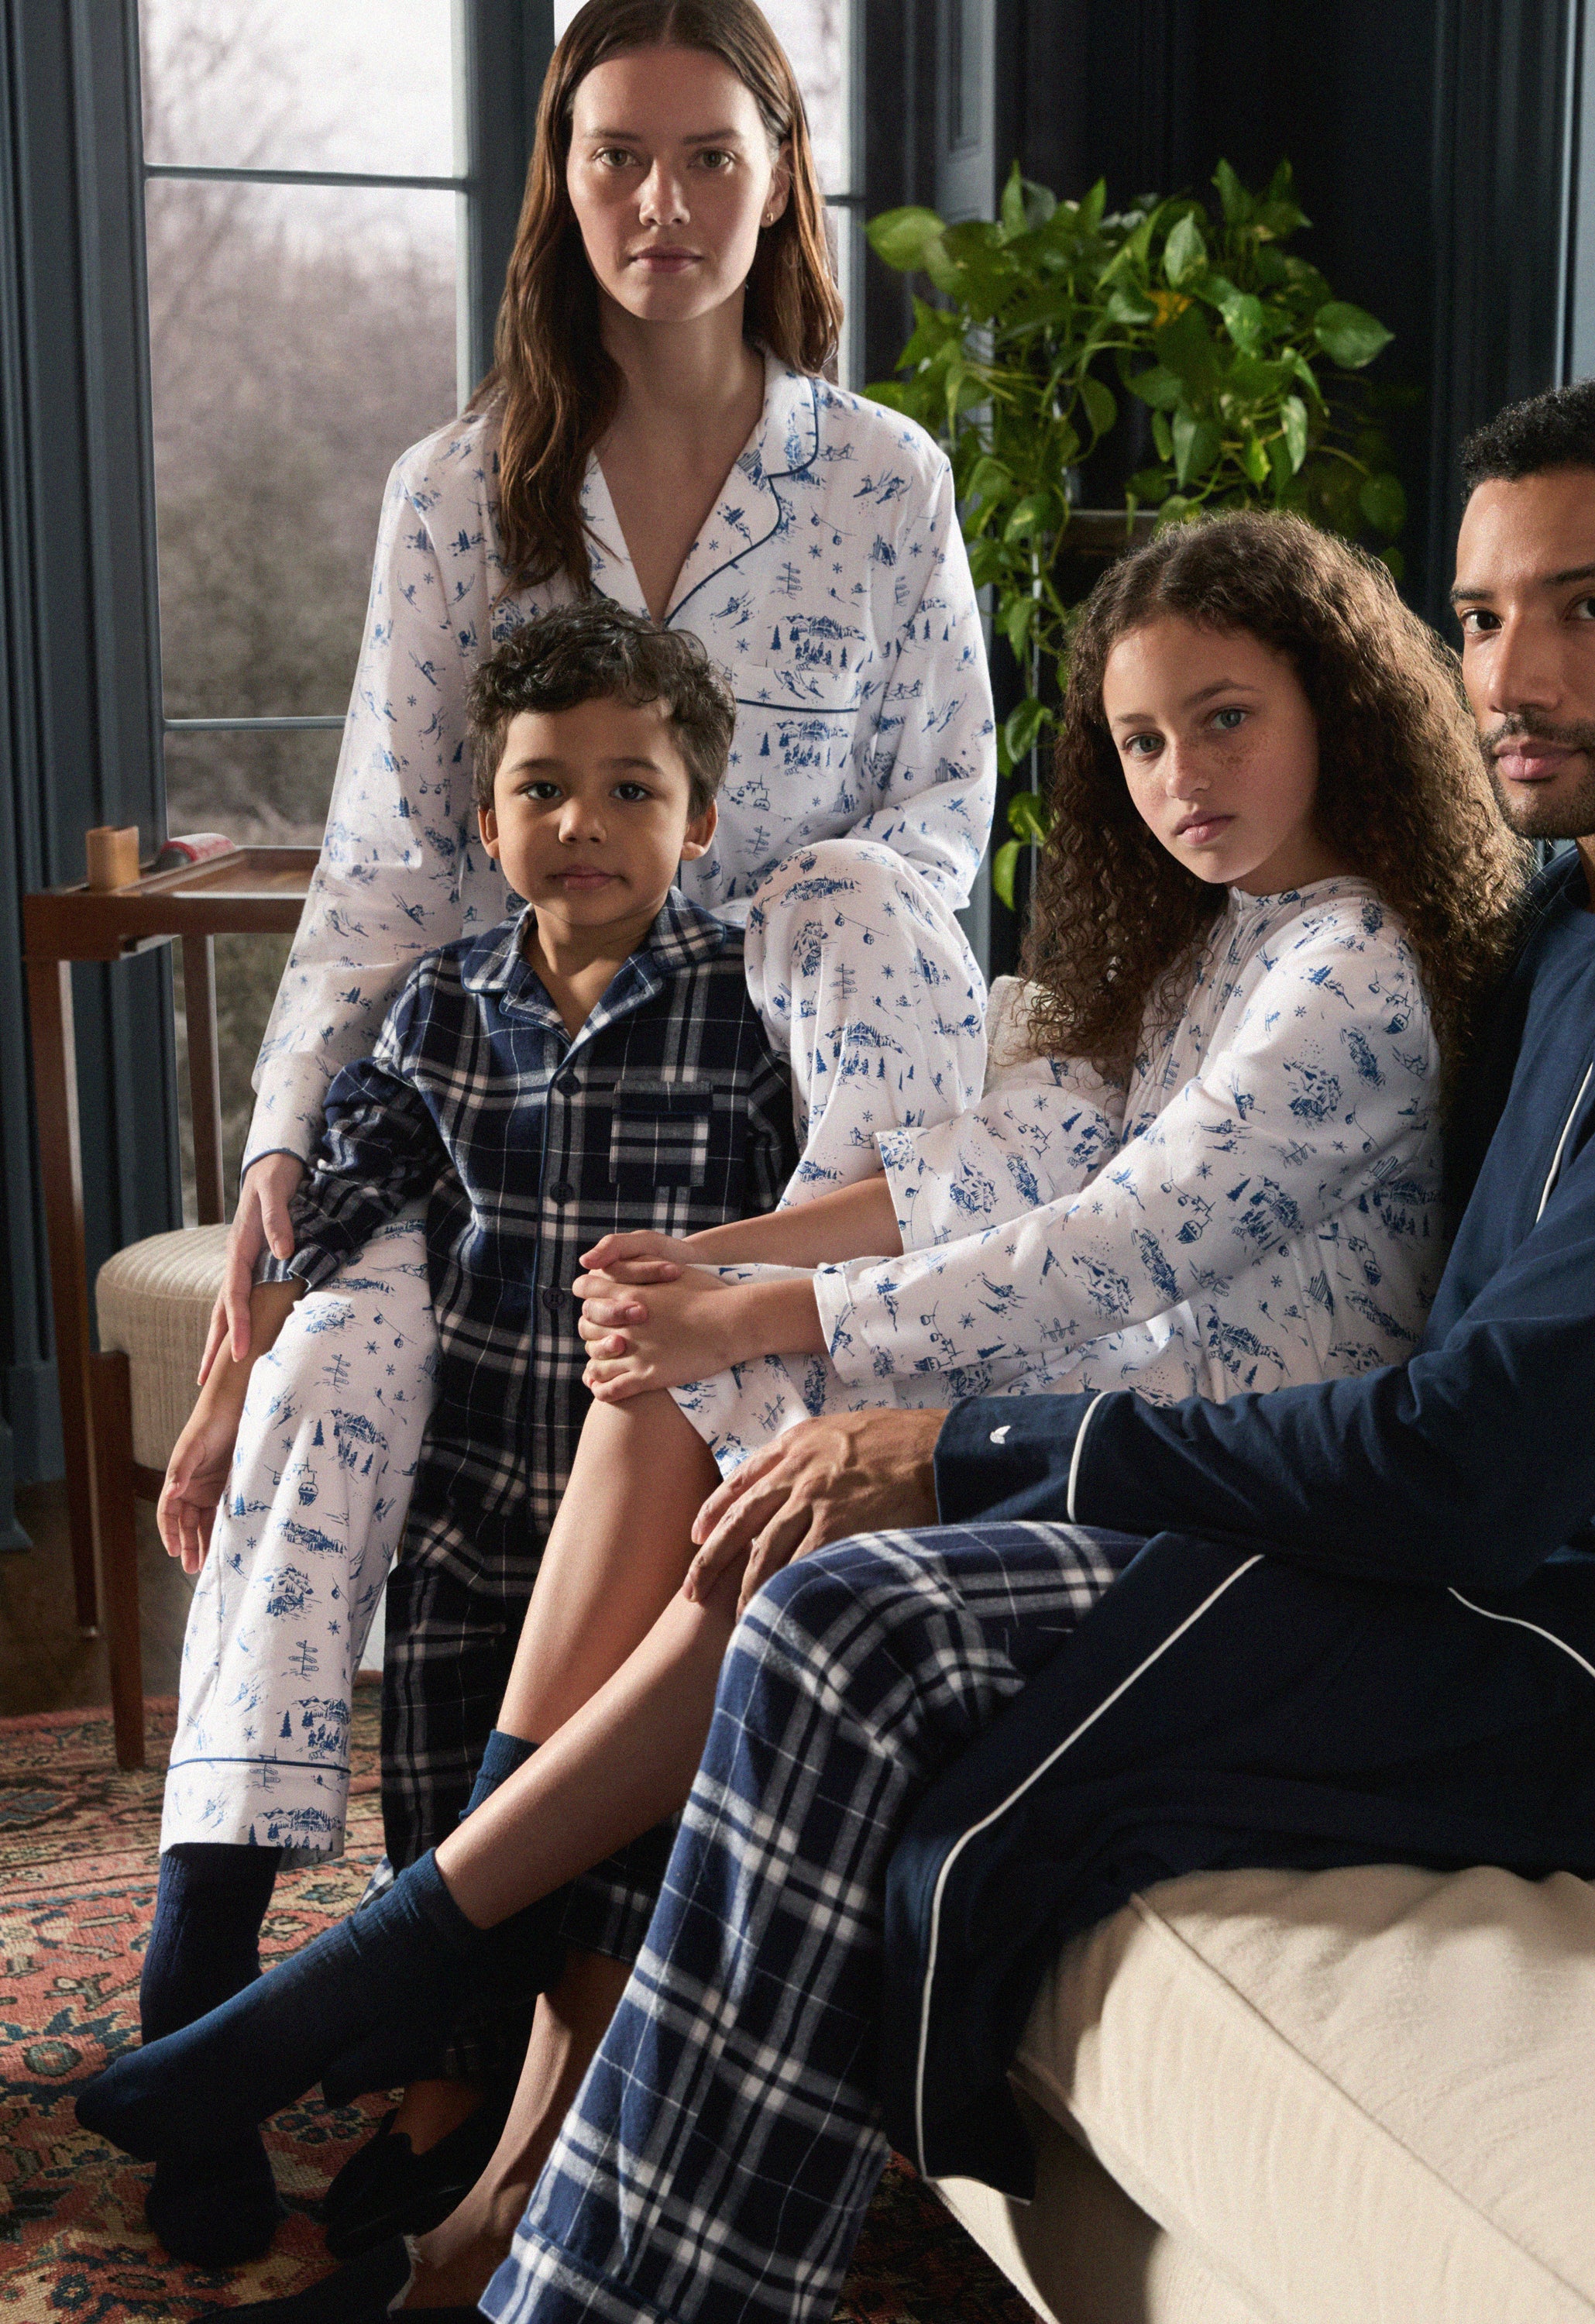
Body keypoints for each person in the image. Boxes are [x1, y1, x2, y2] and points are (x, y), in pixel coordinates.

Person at [80, 508, 1525, 2312]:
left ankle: (390, 1972)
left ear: (1338, 707)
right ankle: (472, 2143)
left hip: (1204, 1481)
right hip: (1111, 1406)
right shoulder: (1222, 939)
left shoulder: (1351, 964)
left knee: (743, 1452)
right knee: (671, 1395)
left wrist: (772, 1309)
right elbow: (987, 1166)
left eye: (1224, 720)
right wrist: (705, 1270)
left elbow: (1116, 1246)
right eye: (1142, 742)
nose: (1180, 779)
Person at [144, 0, 993, 2260]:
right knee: (328, 1369)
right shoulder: (463, 488)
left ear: (781, 175)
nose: (662, 202)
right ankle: (214, 1958)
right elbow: (386, 864)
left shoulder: (886, 481)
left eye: (710, 154)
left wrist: (780, 948)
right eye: (616, 155)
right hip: (489, 1058)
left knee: (661, 1376)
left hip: (766, 1100)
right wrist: (280, 1177)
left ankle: (495, 2010)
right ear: (563, 184)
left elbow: (946, 820)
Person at [139, 601, 799, 2262]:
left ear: (699, 819)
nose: (583, 825)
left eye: (632, 789)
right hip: (469, 1476)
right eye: (544, 789)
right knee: (442, 1777)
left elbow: (808, 1222)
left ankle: (554, 2079)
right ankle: (442, 2082)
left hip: (649, 1490)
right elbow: (337, 1217)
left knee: (602, 1803)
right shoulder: (442, 1010)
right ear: (488, 818)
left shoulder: (747, 1011)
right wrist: (226, 1394)